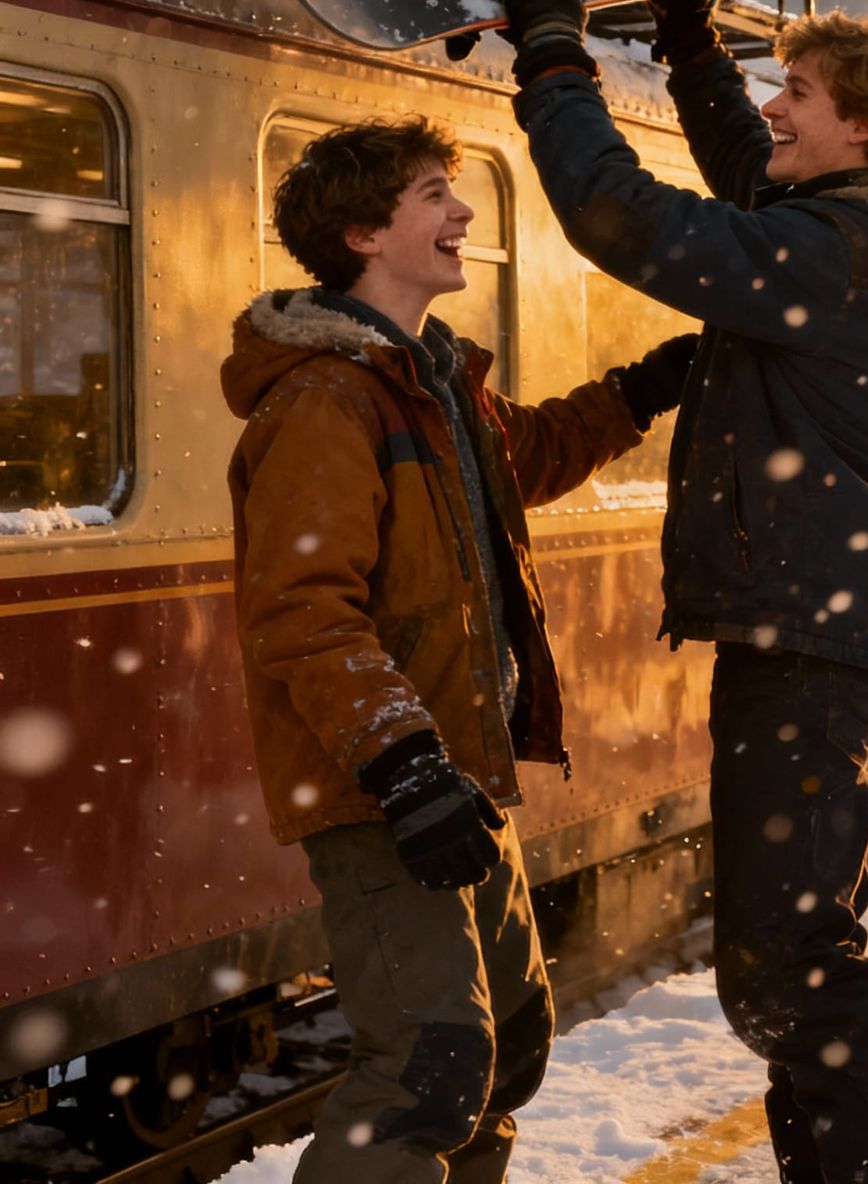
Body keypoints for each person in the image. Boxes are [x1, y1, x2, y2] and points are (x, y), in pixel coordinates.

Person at [492, 0, 868, 1183]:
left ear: (860, 124)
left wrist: (554, 60)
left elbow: (629, 220)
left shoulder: (835, 252)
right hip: (811, 626)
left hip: (813, 641)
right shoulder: (861, 228)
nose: (776, 109)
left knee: (791, 971)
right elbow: (747, 177)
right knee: (786, 968)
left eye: (797, 91)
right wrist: (690, 49)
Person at [222, 117, 692, 1183]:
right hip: (387, 788)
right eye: (435, 193)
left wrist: (644, 388)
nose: (463, 211)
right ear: (361, 233)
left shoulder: (428, 382)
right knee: (429, 1065)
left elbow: (519, 458)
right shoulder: (322, 400)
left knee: (501, 1049)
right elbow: (302, 606)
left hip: (455, 773)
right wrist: (401, 761)